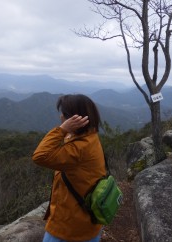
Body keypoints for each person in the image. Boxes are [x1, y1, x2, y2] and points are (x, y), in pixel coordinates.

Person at [32, 94, 106, 242]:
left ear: (75, 120)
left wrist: (61, 130)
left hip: (69, 228)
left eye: (65, 115)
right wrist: (67, 131)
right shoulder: (90, 136)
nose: (61, 117)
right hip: (88, 222)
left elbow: (40, 156)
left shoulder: (79, 148)